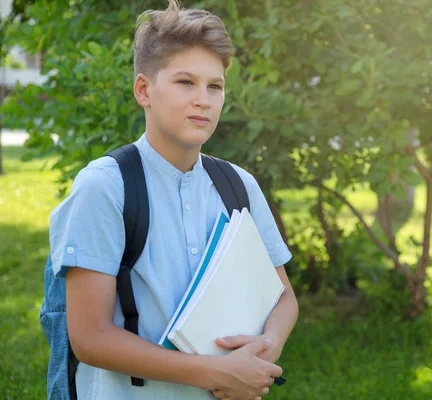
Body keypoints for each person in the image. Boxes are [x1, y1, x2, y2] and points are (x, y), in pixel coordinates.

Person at [48, 1, 298, 399]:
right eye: (185, 82)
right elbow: (90, 337)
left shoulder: (239, 185)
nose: (204, 99)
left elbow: (283, 296)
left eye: (214, 86)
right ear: (144, 89)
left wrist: (258, 356)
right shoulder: (104, 187)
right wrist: (215, 373)